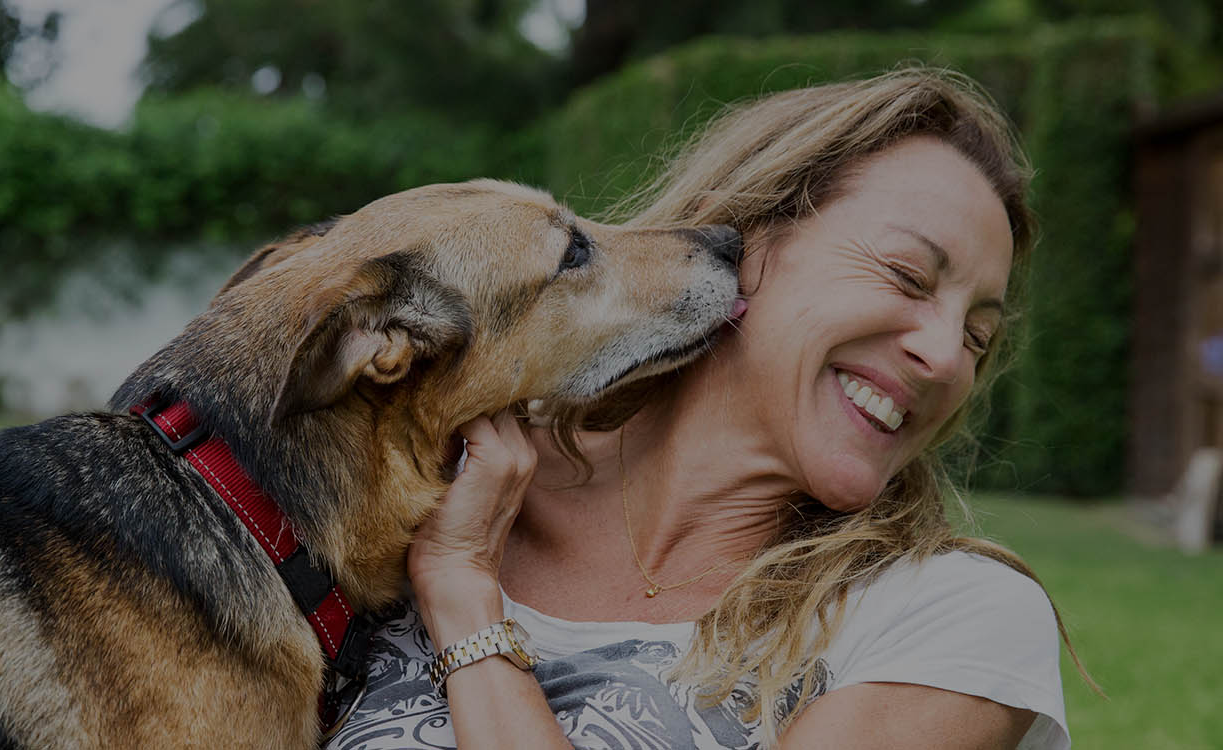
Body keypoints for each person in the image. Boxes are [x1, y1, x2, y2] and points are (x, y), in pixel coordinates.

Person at [325, 68, 1084, 750]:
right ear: (742, 238)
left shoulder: (948, 618)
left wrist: (466, 601)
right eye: (908, 276)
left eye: (978, 337)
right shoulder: (412, 479)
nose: (948, 356)